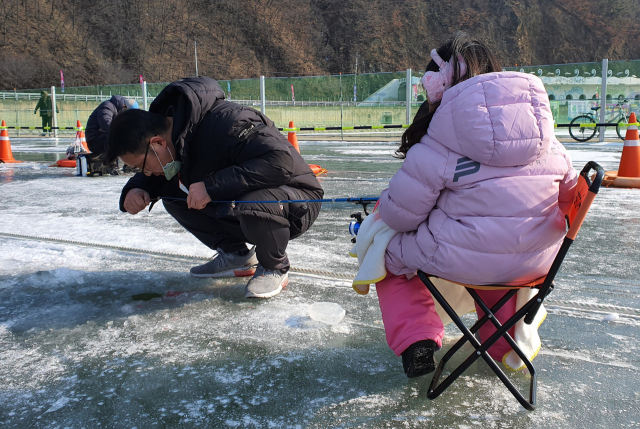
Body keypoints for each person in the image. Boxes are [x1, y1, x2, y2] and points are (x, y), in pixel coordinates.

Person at [374, 34, 577, 378]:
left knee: (387, 255)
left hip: (460, 256)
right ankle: (501, 340)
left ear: (438, 87)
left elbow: (400, 215)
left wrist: (384, 208)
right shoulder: (546, 135)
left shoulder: (440, 135)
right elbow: (571, 195)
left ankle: (417, 340)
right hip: (536, 263)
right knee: (497, 255)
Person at [106, 77, 324, 299]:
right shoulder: (177, 136)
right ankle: (236, 255)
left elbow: (279, 162)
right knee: (174, 195)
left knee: (252, 199)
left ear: (158, 143)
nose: (146, 173)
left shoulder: (228, 121)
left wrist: (210, 187)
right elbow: (163, 173)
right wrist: (138, 188)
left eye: (140, 167)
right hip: (252, 201)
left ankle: (273, 265)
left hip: (296, 197)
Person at [85, 95, 138, 174]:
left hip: (104, 137)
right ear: (124, 106)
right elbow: (106, 123)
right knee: (113, 135)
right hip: (95, 140)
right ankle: (110, 165)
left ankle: (130, 165)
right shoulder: (107, 106)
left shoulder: (119, 110)